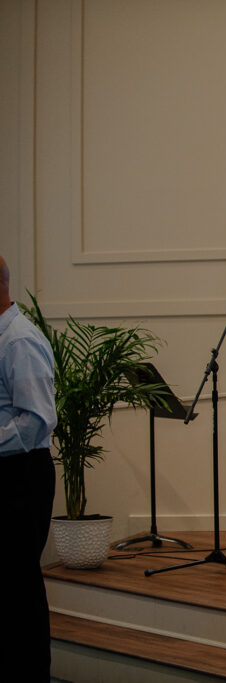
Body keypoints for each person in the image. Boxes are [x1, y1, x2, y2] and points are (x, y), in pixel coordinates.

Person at [0, 255, 58, 678]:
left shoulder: (18, 339)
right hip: (7, 470)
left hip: (21, 476)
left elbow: (36, 420)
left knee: (18, 586)